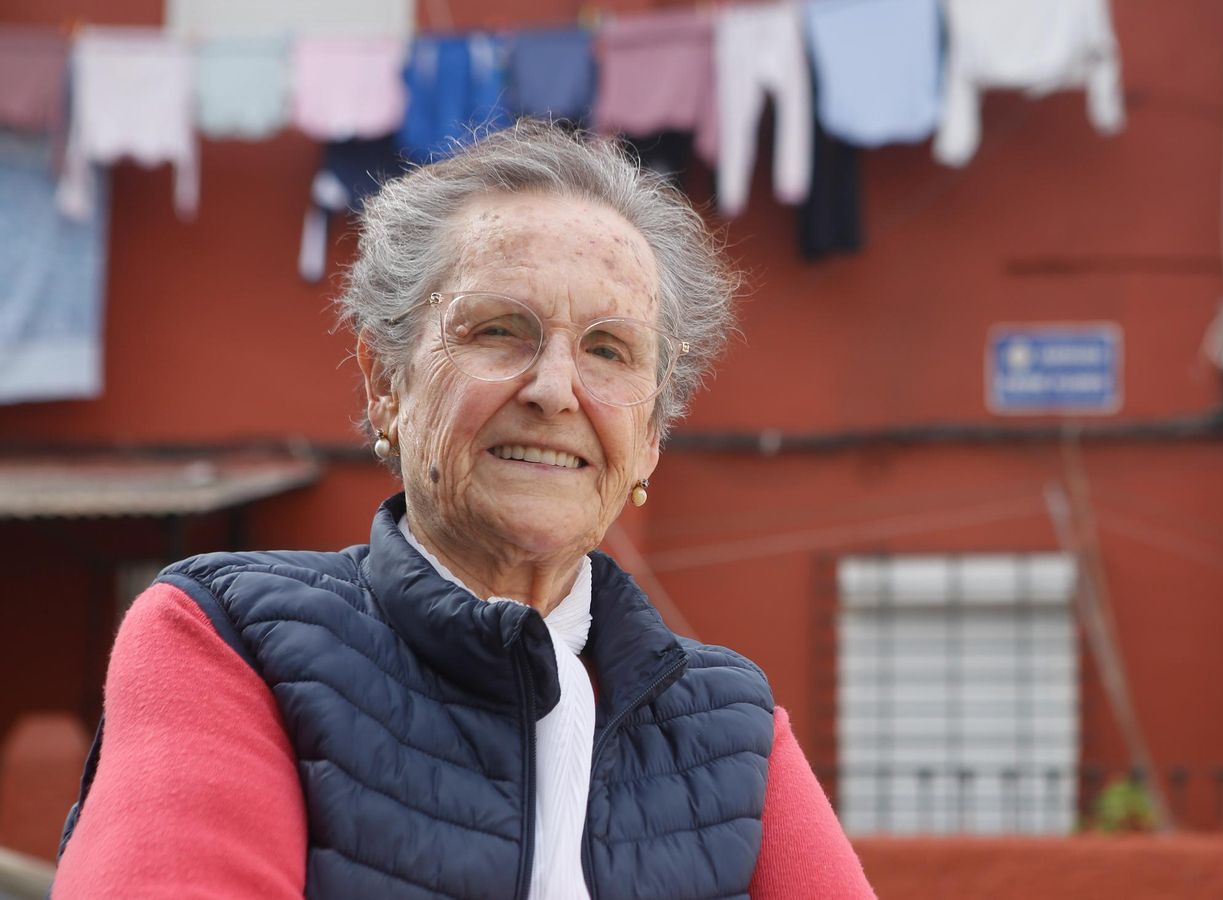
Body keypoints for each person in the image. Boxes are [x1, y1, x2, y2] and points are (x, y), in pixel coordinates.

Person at [51, 120, 875, 899]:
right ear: (386, 384)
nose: (556, 390)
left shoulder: (735, 732)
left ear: (652, 434)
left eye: (608, 350)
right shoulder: (230, 637)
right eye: (498, 331)